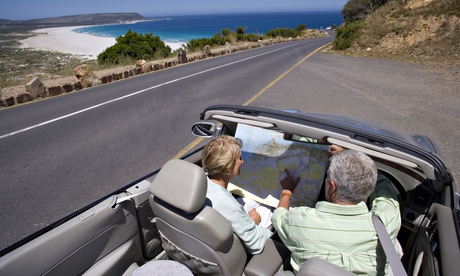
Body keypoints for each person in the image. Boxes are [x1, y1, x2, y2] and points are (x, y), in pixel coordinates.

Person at [271, 149, 402, 275]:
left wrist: (287, 191)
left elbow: (279, 216)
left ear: (333, 186)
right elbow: (386, 196)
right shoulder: (385, 222)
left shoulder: (300, 221)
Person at [202, 135, 273, 254]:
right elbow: (257, 244)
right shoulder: (228, 205)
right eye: (239, 158)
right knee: (269, 209)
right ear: (228, 167)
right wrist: (253, 224)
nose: (243, 161)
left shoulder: (201, 182)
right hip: (238, 249)